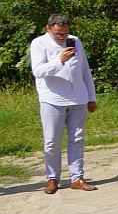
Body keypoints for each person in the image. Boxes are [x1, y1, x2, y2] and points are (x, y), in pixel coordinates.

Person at [30, 13, 98, 193]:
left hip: (78, 97)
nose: (62, 38)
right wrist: (60, 60)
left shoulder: (75, 41)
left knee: (77, 139)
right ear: (48, 28)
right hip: (52, 99)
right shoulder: (39, 43)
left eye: (65, 34)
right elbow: (38, 71)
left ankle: (77, 178)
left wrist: (92, 97)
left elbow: (85, 71)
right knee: (52, 141)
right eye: (58, 34)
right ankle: (53, 178)